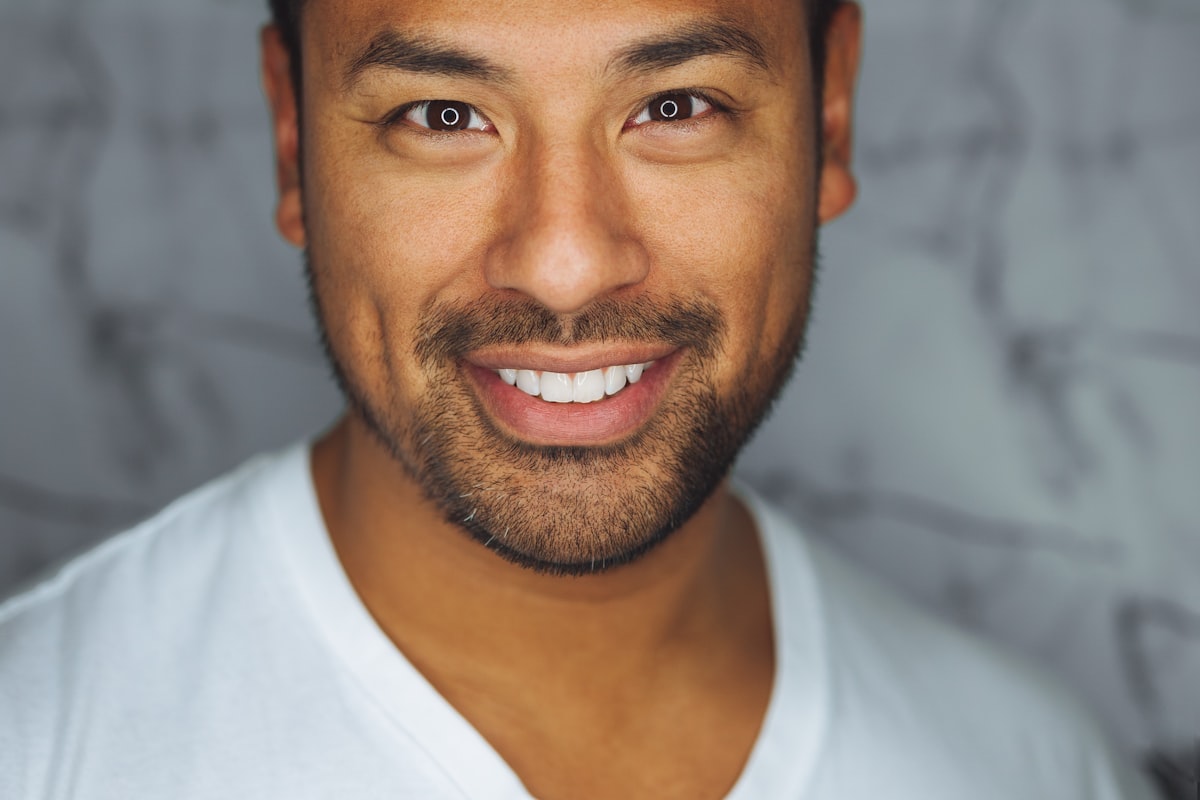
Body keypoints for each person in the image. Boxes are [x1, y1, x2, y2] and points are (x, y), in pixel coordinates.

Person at [0, 0, 1159, 797]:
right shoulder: (37, 738)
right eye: (443, 116)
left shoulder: (1029, 763)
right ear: (294, 141)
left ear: (830, 113)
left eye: (677, 105)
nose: (563, 261)